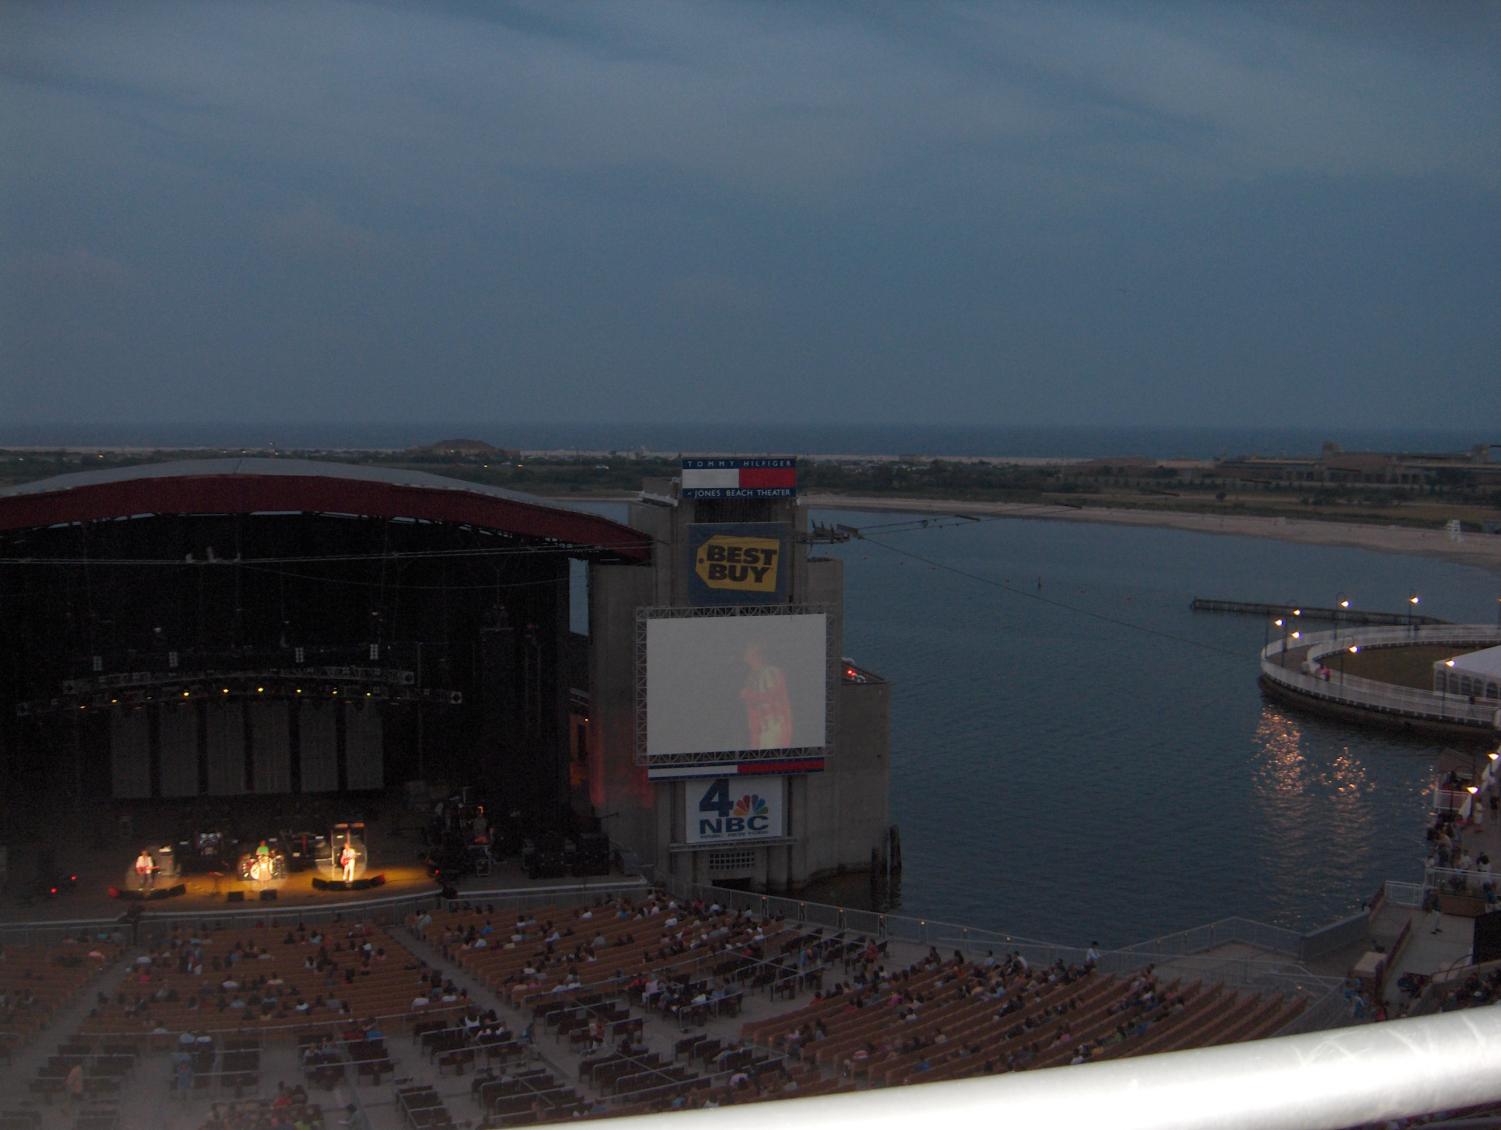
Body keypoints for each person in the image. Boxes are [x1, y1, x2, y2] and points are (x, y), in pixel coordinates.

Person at [740, 642, 792, 749]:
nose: (745, 657)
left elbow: (773, 696)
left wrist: (750, 695)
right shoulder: (752, 677)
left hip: (774, 727)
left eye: (749, 653)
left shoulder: (771, 672)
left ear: (757, 655)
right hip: (761, 730)